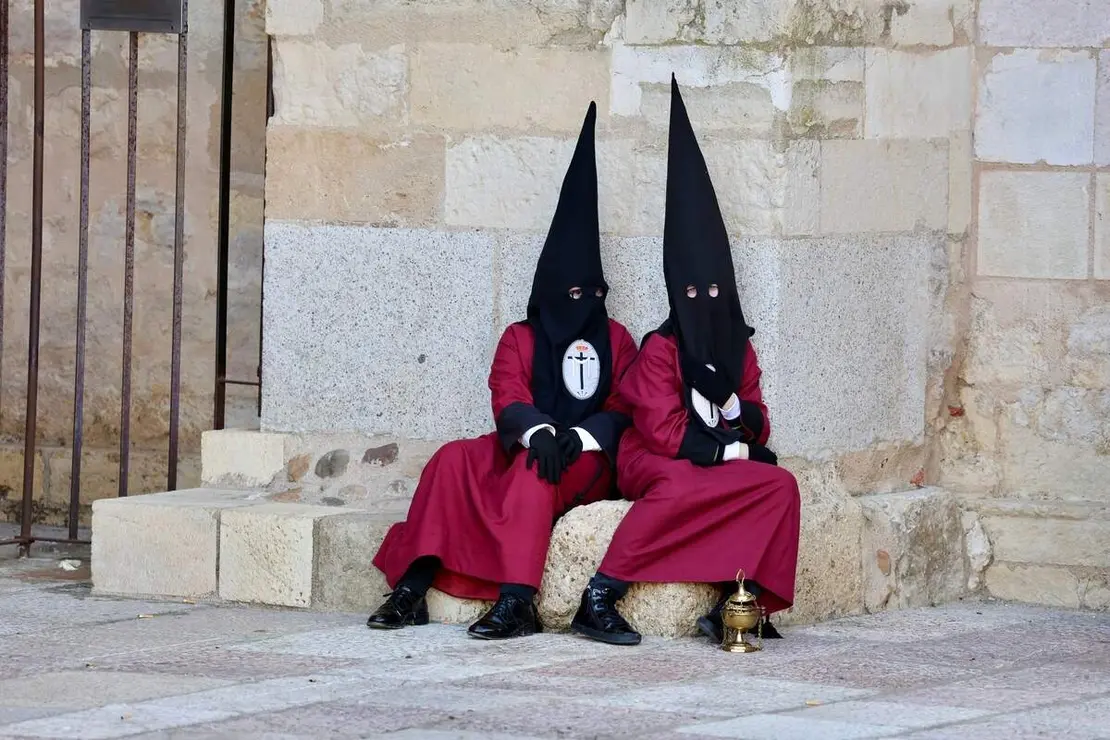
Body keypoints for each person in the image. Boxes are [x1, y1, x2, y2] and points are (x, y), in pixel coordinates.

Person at [369, 102, 639, 640]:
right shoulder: (521, 336)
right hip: (529, 442)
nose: (585, 302)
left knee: (536, 473)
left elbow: (625, 405)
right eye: (573, 294)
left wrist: (578, 438)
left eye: (594, 293)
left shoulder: (616, 338)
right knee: (452, 459)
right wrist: (538, 430)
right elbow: (507, 390)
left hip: (585, 460)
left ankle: (518, 603)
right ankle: (411, 587)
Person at [569, 77, 801, 647]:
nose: (703, 303)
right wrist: (729, 447)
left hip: (715, 449)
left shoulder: (737, 348)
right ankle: (601, 592)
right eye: (691, 295)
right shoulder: (661, 348)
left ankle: (741, 598)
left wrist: (734, 406)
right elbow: (661, 430)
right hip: (652, 457)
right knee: (679, 484)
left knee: (778, 485)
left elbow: (759, 416)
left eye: (714, 293)